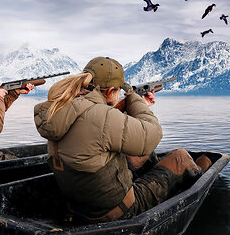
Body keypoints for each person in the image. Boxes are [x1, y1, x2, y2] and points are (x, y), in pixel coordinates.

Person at [34, 57, 212, 223]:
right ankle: (196, 186)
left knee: (143, 154)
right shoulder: (101, 116)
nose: (120, 96)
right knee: (180, 157)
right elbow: (153, 134)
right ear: (111, 91)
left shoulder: (63, 109)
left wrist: (128, 106)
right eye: (119, 92)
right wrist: (135, 100)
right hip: (115, 213)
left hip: (79, 205)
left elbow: (101, 130)